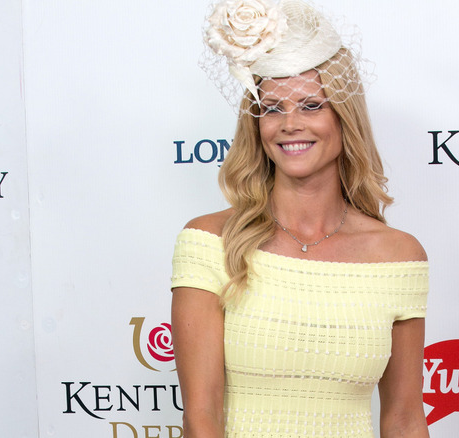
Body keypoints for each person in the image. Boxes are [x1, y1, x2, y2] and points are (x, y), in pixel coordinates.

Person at [171, 0, 429, 436]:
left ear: (344, 118)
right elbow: (202, 414)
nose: (290, 124)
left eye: (311, 105)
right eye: (272, 108)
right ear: (256, 125)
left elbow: (404, 418)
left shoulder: (398, 255)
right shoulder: (209, 240)